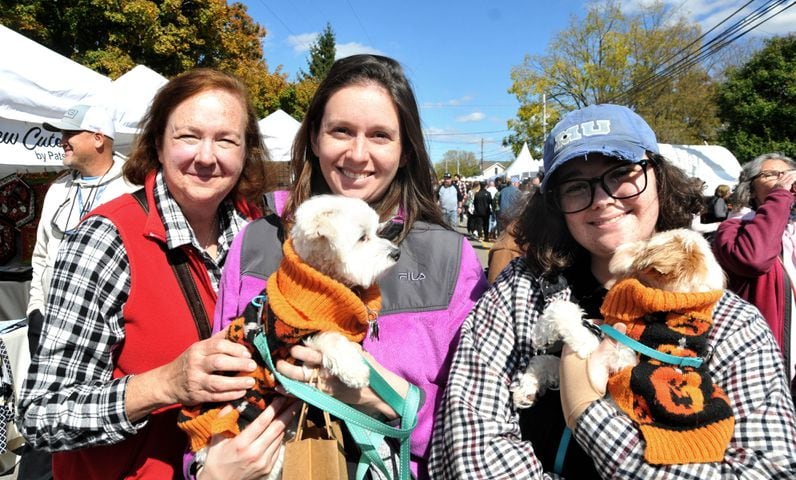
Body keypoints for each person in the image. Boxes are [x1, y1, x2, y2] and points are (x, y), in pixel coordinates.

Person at [429, 104, 796, 478]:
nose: (603, 199)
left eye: (621, 173)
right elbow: (470, 440)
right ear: (556, 205)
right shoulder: (521, 290)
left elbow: (769, 469)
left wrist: (587, 413)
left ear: (659, 178)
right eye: (576, 187)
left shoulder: (728, 320)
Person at [197, 54, 489, 480]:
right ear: (314, 138)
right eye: (341, 131)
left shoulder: (448, 256)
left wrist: (381, 400)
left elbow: (474, 424)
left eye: (380, 136)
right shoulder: (257, 242)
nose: (357, 153)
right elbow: (217, 373)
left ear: (406, 150)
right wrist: (208, 470)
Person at [17, 69, 280, 479]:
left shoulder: (259, 235)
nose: (207, 156)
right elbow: (42, 414)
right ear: (158, 144)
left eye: (226, 139)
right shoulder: (104, 240)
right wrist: (165, 384)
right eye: (188, 136)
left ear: (246, 151)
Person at [22, 104, 138, 480]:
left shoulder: (132, 186)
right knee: (41, 423)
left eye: (70, 134)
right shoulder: (59, 187)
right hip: (48, 324)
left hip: (103, 335)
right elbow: (41, 255)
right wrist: (36, 309)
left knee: (86, 427)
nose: (62, 141)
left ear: (99, 138)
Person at [713, 153, 796, 402]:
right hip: (767, 363)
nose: (783, 179)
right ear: (750, 189)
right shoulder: (734, 229)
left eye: (788, 173)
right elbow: (755, 258)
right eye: (771, 174)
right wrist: (781, 196)